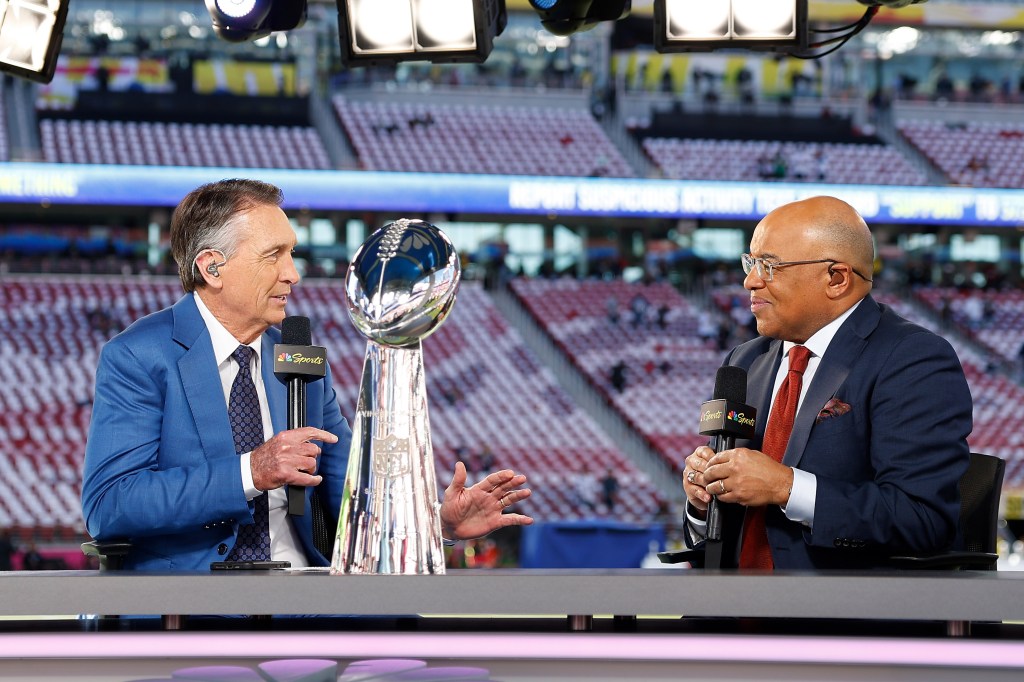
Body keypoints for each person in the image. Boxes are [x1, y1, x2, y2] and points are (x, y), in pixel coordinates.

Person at [81, 179, 532, 571]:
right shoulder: (139, 356)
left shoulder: (302, 361)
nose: (293, 274)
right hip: (195, 603)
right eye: (273, 255)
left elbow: (352, 493)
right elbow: (110, 505)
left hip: (307, 593)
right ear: (212, 267)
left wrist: (435, 521)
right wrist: (251, 471)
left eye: (292, 253)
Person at [681, 196, 971, 570]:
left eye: (769, 265)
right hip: (729, 599)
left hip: (837, 603)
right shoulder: (745, 361)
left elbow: (921, 519)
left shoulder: (912, 358)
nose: (750, 281)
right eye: (751, 263)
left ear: (836, 278)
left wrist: (786, 487)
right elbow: (721, 531)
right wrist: (703, 501)